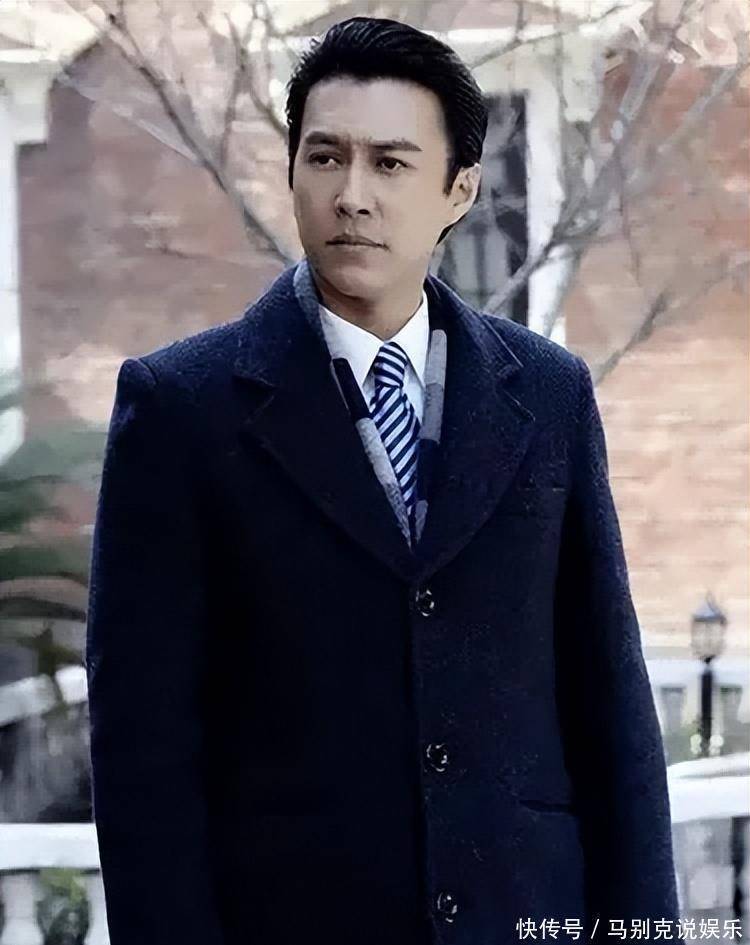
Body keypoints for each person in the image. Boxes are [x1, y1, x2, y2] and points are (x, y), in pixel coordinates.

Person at [85, 16, 680, 945]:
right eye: (325, 158)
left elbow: (611, 705)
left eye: (391, 164)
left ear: (460, 190)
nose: (351, 195)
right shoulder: (182, 408)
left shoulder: (548, 393)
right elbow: (144, 753)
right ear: (292, 173)